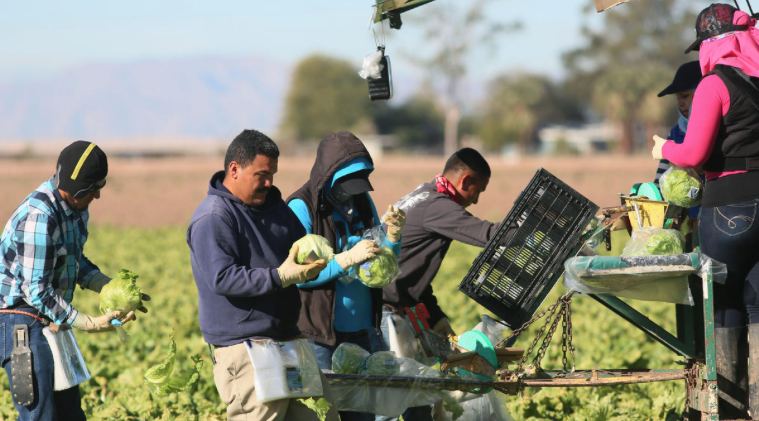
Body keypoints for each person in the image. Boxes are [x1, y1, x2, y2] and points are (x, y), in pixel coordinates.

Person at [652, 4, 759, 418]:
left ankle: (730, 412)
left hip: (729, 209)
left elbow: (693, 153)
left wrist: (665, 149)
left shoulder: (715, 84)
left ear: (712, 45)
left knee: (724, 304)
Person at [187, 129, 338, 421]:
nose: (269, 182)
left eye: (273, 174)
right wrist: (280, 277)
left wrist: (315, 262)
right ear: (234, 169)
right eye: (262, 174)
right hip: (246, 349)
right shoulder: (214, 216)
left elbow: (299, 246)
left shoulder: (275, 207)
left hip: (288, 339)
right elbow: (222, 278)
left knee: (323, 416)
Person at [0, 141, 148, 421]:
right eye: (94, 190)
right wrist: (88, 323)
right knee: (40, 415)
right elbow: (37, 292)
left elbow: (71, 260)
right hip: (19, 318)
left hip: (50, 318)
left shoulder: (76, 208)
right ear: (78, 189)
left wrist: (108, 286)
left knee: (70, 414)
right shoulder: (40, 218)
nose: (98, 196)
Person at [380, 148, 507, 421]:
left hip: (396, 307)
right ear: (466, 181)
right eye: (479, 191)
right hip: (386, 314)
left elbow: (411, 273)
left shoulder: (422, 194)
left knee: (420, 399)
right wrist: (532, 232)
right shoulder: (436, 205)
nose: (476, 200)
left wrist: (436, 318)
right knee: (390, 405)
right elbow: (487, 234)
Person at [286, 131, 405, 421]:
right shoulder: (302, 207)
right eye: (346, 184)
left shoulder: (362, 201)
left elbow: (382, 261)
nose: (352, 192)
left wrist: (393, 236)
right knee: (321, 415)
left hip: (363, 332)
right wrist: (346, 259)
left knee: (362, 415)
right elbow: (298, 276)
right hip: (320, 337)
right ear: (328, 177)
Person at [653, 61, 702, 188]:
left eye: (685, 96)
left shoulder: (721, 128)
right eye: (677, 98)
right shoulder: (676, 132)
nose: (680, 103)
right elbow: (661, 181)